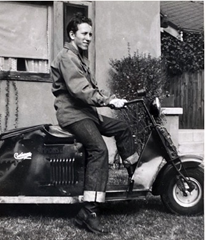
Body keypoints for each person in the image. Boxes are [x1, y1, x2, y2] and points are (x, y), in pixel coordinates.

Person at [51, 13, 139, 234]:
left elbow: (94, 89)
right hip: (73, 115)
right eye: (84, 33)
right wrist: (107, 101)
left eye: (91, 34)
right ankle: (88, 212)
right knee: (98, 149)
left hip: (88, 114)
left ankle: (133, 175)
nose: (89, 37)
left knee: (122, 128)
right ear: (72, 34)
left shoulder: (80, 57)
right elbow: (81, 90)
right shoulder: (66, 57)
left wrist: (114, 99)